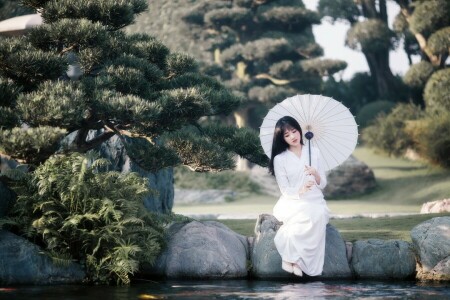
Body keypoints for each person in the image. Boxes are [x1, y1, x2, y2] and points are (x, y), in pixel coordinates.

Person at [268, 116, 329, 277]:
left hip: (315, 199)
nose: (293, 137)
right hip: (293, 201)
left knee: (317, 215)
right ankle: (293, 259)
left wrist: (315, 174)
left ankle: (293, 260)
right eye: (287, 135)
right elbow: (285, 190)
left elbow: (322, 184)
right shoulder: (279, 159)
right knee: (301, 218)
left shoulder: (314, 152)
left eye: (294, 131)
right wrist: (301, 190)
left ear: (300, 130)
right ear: (282, 139)